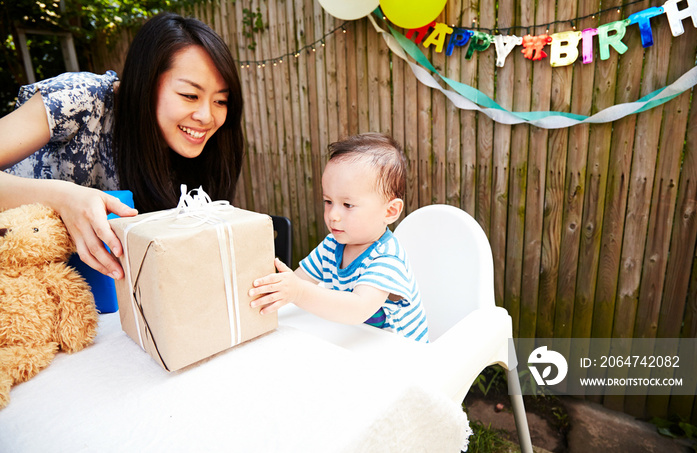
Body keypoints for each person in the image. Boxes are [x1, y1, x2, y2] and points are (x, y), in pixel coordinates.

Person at [0, 12, 244, 280]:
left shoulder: (201, 152)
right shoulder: (81, 99)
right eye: (190, 95)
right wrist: (62, 197)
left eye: (220, 101)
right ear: (146, 83)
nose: (207, 117)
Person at [249, 133, 429, 343]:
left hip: (404, 355)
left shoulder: (388, 259)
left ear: (389, 212)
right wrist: (276, 290)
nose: (333, 215)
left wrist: (298, 292)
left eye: (347, 205)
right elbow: (298, 281)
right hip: (357, 341)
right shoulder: (331, 246)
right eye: (328, 201)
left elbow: (358, 308)